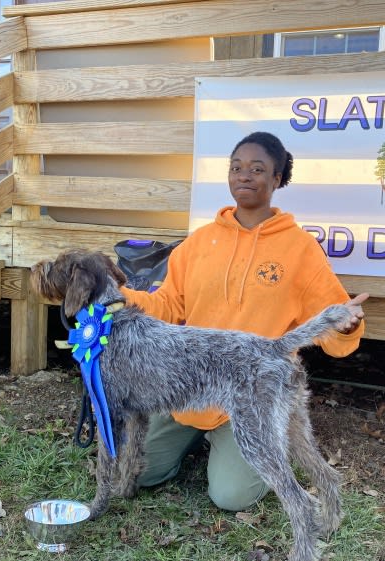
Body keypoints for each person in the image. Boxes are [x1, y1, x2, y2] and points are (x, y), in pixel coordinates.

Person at [120, 131, 368, 511]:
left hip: (253, 390)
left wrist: (346, 324)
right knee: (135, 471)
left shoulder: (300, 249)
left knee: (231, 496)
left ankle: (255, 440)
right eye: (236, 168)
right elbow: (167, 305)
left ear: (277, 179)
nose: (244, 176)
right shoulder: (200, 242)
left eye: (257, 169)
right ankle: (200, 437)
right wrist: (119, 297)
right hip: (192, 383)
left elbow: (330, 321)